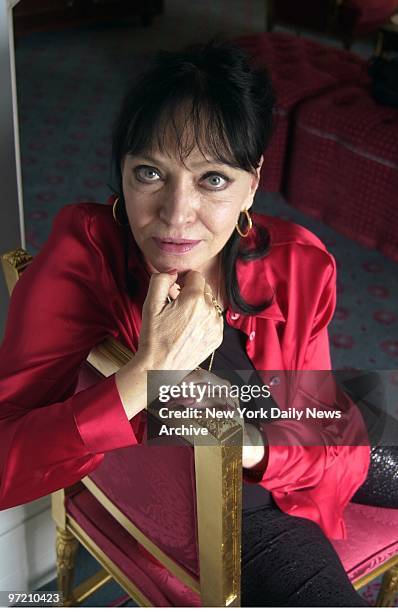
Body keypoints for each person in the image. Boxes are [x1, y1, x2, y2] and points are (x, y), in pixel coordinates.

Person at [0, 40, 383, 606]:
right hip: (248, 521)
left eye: (213, 180)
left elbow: (315, 421)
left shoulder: (298, 263)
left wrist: (254, 445)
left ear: (252, 182)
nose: (176, 216)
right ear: (123, 171)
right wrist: (143, 376)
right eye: (150, 173)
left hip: (292, 437)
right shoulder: (87, 253)